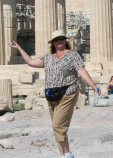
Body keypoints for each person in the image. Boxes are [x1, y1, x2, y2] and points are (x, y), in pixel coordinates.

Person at [10, 30, 100, 158]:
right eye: (56, 40)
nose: (59, 41)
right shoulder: (48, 57)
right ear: (53, 43)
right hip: (51, 94)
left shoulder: (73, 55)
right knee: (58, 127)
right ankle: (63, 154)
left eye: (61, 39)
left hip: (68, 92)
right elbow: (30, 61)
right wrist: (19, 48)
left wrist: (93, 85)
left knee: (57, 125)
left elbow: (81, 70)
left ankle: (68, 153)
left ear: (65, 40)